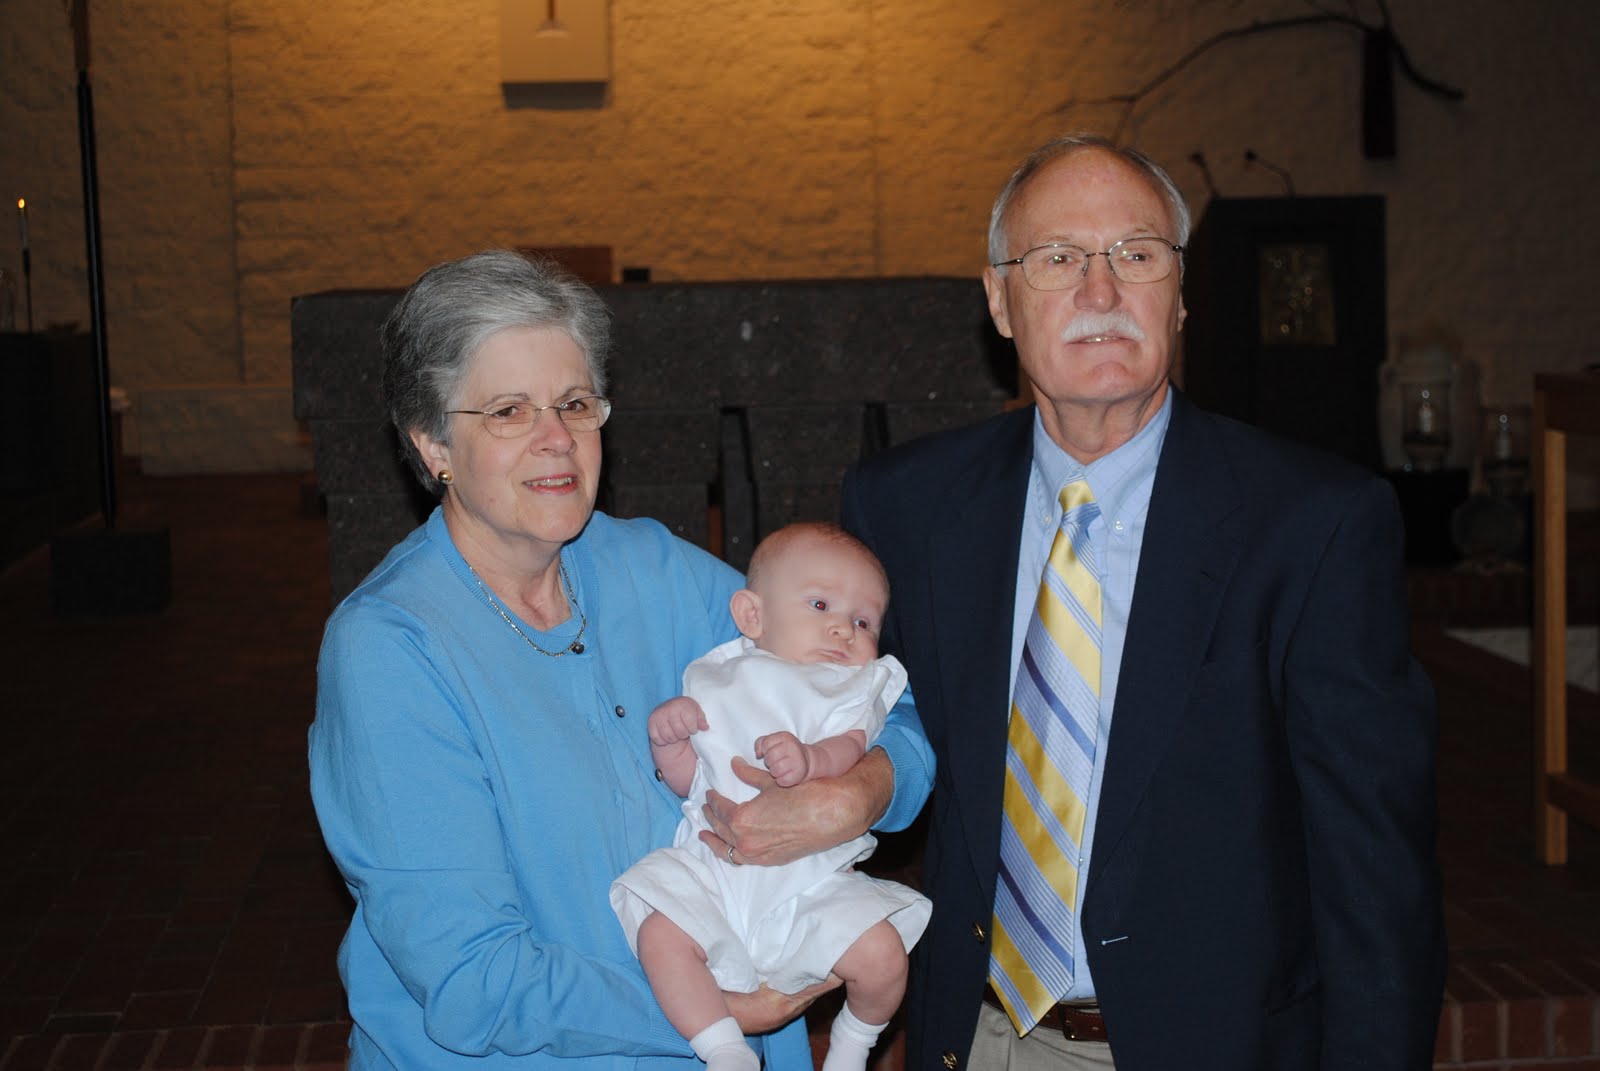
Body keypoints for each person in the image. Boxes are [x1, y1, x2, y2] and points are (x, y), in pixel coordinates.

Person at [839, 134, 1445, 1070]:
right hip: (981, 1039)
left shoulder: (1314, 524)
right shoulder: (904, 508)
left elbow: (1377, 877)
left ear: (1181, 292)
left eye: (1137, 253)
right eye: (1058, 258)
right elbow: (876, 739)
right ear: (999, 300)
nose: (1101, 290)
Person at [307, 250, 934, 1071]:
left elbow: (878, 692)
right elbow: (473, 978)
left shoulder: (650, 569)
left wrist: (860, 790)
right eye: (508, 410)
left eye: (574, 403)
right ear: (433, 445)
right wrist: (716, 1012)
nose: (556, 439)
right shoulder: (391, 649)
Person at [611, 522, 932, 1071]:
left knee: (884, 955)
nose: (843, 629)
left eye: (863, 621)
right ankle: (723, 1048)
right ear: (752, 616)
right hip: (711, 872)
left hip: (812, 884)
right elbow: (694, 784)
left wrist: (811, 760)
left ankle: (853, 1044)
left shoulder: (852, 689)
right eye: (820, 605)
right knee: (659, 935)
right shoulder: (719, 677)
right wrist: (670, 742)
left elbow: (852, 748)